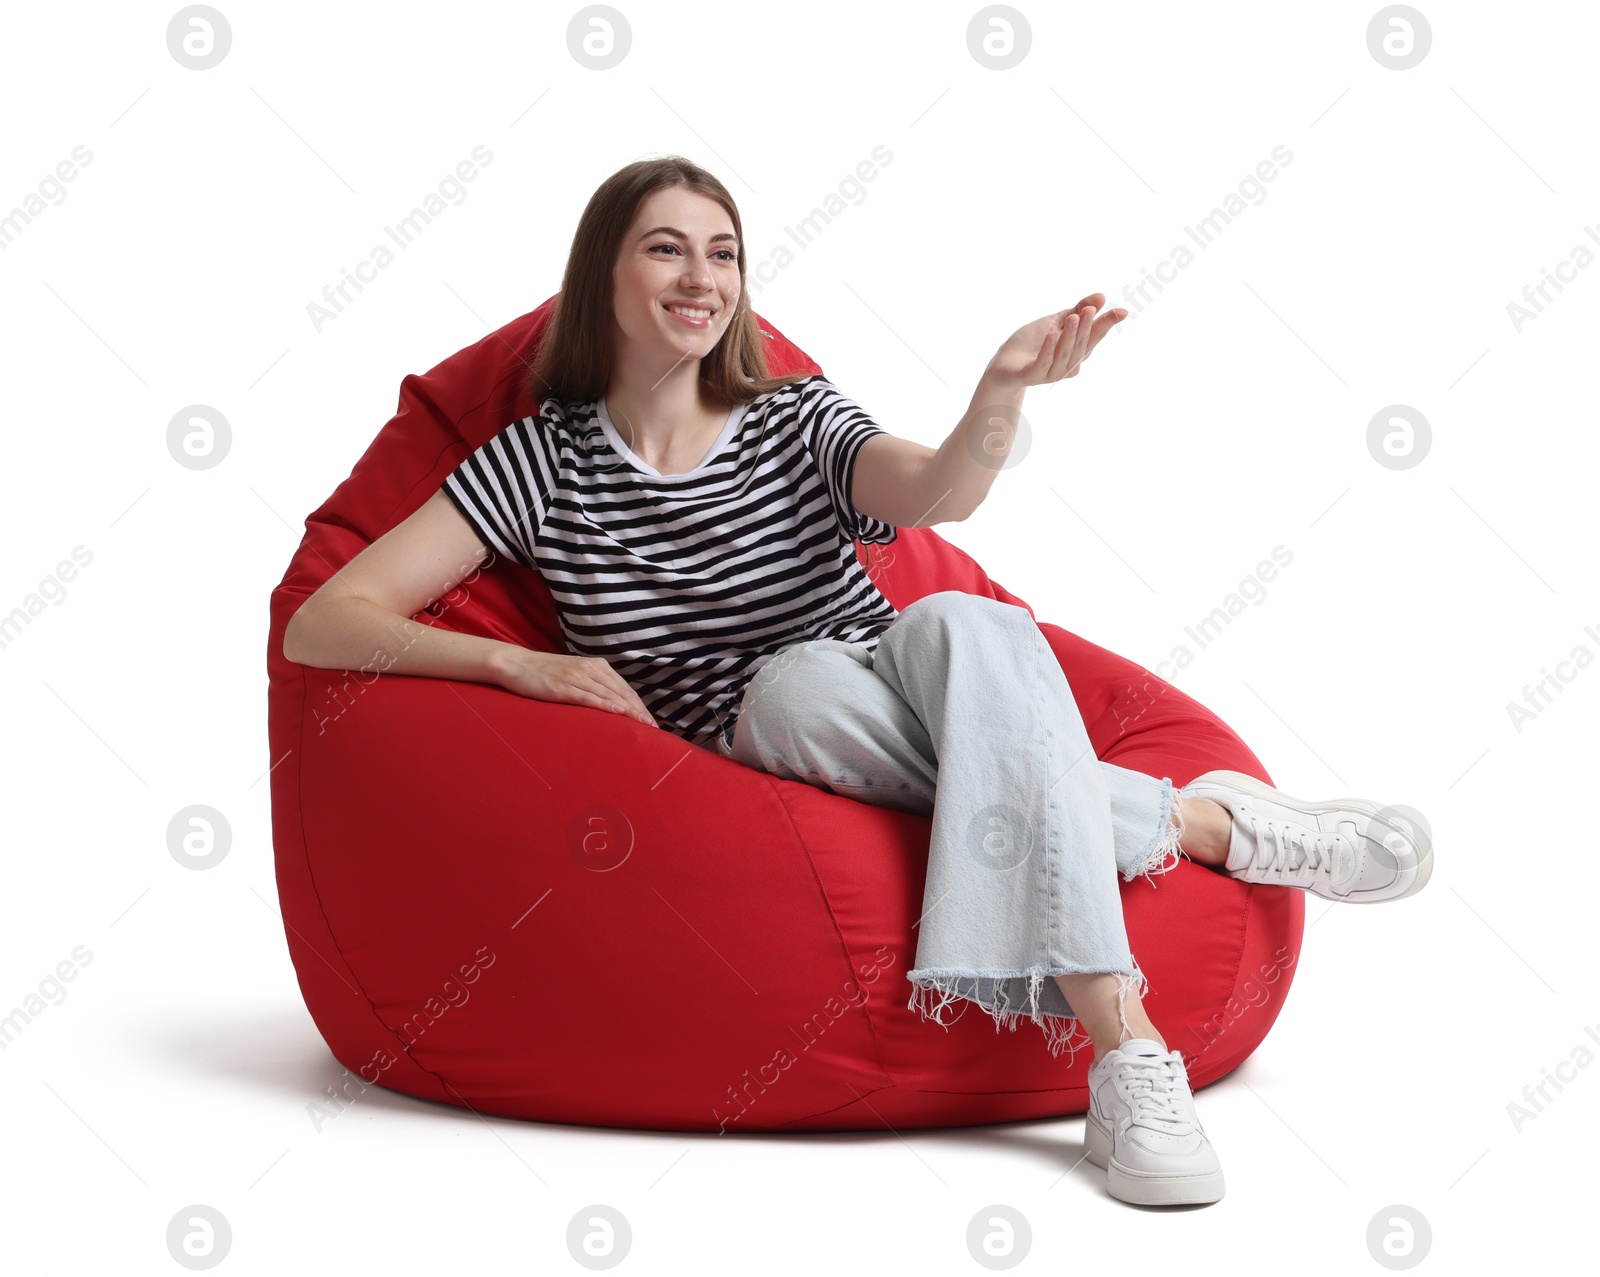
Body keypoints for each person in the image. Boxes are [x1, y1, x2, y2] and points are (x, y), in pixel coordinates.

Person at [282, 154, 1434, 1208]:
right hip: (767, 724)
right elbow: (327, 623)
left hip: (904, 677)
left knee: (963, 619)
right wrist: (523, 663)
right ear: (607, 274)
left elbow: (933, 494)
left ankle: (1126, 1048)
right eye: (667, 247)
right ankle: (1201, 823)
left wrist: (997, 393)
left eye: (723, 251)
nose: (703, 276)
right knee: (792, 692)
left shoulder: (787, 415)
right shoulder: (538, 464)